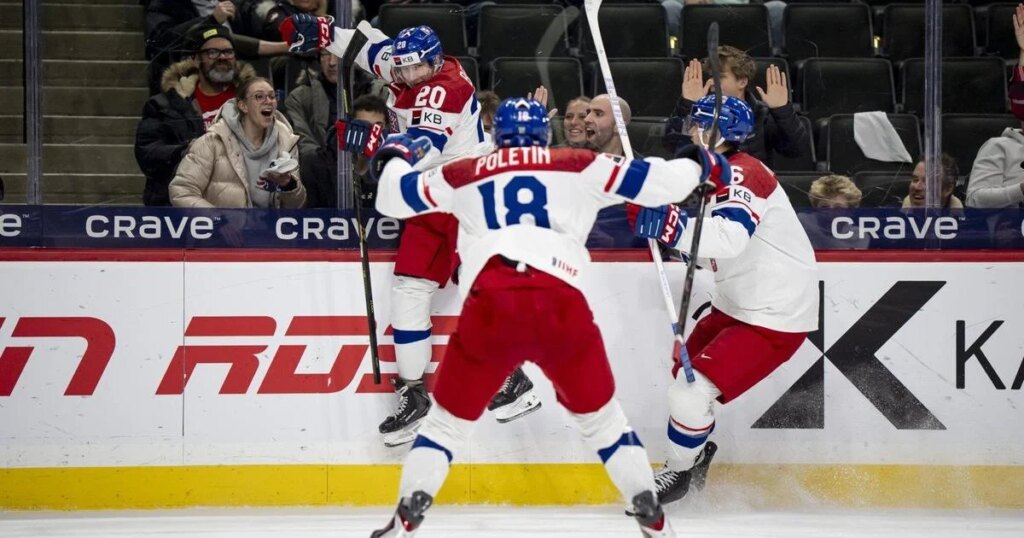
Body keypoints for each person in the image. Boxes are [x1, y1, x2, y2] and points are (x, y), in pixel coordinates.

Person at [368, 97, 731, 538]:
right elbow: (664, 183)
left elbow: (392, 197)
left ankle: (407, 517)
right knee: (604, 424)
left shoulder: (462, 171)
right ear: (545, 132)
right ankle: (650, 516)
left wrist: (393, 154)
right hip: (561, 303)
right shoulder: (579, 164)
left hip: (491, 304)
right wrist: (700, 162)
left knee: (446, 424)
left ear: (497, 135)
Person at [280, 16, 541, 446]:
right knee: (410, 287)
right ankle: (413, 394)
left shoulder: (447, 88)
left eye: (410, 69)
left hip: (466, 194)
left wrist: (372, 139)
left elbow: (419, 146)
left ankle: (510, 377)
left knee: (477, 285)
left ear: (433, 64)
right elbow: (367, 47)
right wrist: (324, 32)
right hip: (429, 196)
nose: (401, 75)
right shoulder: (408, 64)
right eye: (399, 68)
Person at [634, 95, 818, 504]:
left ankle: (678, 473)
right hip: (736, 303)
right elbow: (711, 245)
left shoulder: (745, 173)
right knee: (682, 379)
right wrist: (669, 229)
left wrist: (671, 226)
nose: (691, 131)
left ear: (718, 132)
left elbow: (730, 240)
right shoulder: (717, 174)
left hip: (773, 314)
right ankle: (696, 454)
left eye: (698, 124)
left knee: (690, 394)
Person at [135, 25, 257, 206]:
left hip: (243, 203)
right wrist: (188, 150)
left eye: (228, 52)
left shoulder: (256, 101)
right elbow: (147, 152)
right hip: (183, 207)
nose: (222, 57)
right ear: (196, 59)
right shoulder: (165, 104)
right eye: (213, 52)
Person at [663, 46, 809, 170]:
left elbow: (796, 150)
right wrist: (687, 104)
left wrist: (782, 110)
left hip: (751, 191)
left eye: (719, 77)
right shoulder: (699, 111)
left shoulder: (762, 115)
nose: (712, 82)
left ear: (742, 81)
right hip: (707, 189)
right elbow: (670, 145)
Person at [169, 77, 306, 209]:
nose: (268, 101)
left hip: (269, 229)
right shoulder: (213, 141)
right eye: (259, 96)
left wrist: (288, 185)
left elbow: (296, 206)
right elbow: (181, 191)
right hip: (223, 230)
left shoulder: (286, 141)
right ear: (243, 106)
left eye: (272, 96)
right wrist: (217, 220)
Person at [301, 94, 388, 209]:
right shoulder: (317, 164)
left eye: (377, 127)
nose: (370, 133)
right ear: (351, 128)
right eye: (363, 126)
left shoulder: (393, 165)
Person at [285, 47, 342, 157]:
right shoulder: (299, 98)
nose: (332, 62)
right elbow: (303, 143)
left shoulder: (373, 93)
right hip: (319, 168)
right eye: (326, 54)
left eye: (339, 54)